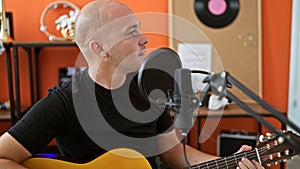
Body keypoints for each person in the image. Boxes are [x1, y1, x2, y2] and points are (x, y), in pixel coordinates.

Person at [0, 1, 265, 169]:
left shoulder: (149, 89)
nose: (144, 39)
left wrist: (230, 164)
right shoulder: (64, 101)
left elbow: (174, 155)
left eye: (139, 29)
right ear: (100, 47)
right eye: (131, 32)